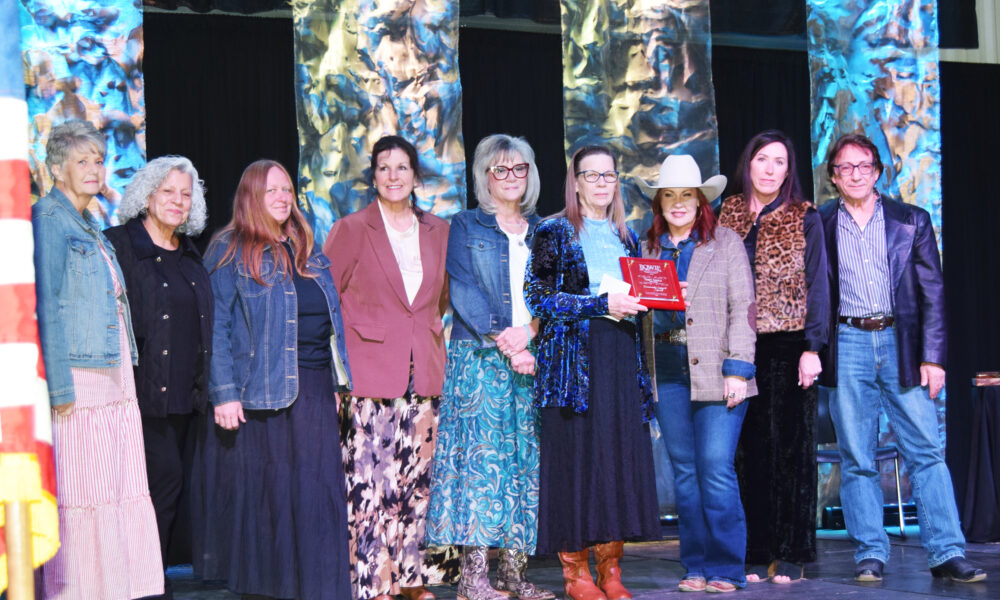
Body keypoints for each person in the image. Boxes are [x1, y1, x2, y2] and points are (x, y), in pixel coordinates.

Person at [819, 133, 987, 583]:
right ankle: (870, 552)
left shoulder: (911, 220)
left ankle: (947, 551)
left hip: (902, 342)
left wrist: (933, 357)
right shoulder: (820, 222)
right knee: (857, 456)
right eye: (845, 167)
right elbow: (815, 292)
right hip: (848, 341)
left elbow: (933, 292)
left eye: (863, 166)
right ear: (834, 176)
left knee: (926, 452)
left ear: (877, 172)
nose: (855, 174)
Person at [197, 159, 353, 599]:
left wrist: (338, 382)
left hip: (316, 388)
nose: (283, 198)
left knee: (316, 496)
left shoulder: (307, 248)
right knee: (274, 499)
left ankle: (316, 589)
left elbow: (331, 321)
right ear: (251, 196)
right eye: (271, 191)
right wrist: (224, 393)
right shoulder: (229, 248)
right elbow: (216, 327)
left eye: (287, 190)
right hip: (263, 392)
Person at [32, 119, 163, 599]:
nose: (94, 169)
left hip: (112, 374)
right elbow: (45, 304)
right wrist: (59, 386)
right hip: (79, 377)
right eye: (82, 160)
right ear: (56, 168)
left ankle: (115, 586)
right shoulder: (48, 219)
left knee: (115, 486)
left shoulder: (88, 222)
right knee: (84, 491)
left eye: (99, 160)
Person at [525, 144, 661, 600]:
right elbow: (538, 297)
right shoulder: (554, 231)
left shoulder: (629, 237)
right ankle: (575, 573)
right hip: (572, 366)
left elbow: (636, 299)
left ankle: (611, 568)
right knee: (576, 464)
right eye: (592, 175)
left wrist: (661, 295)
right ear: (576, 181)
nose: (602, 183)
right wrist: (599, 304)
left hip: (620, 360)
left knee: (615, 462)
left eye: (609, 175)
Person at [325, 135, 456, 600]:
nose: (394, 175)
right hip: (369, 376)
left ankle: (412, 580)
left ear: (415, 176)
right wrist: (336, 375)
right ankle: (375, 584)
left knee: (418, 484)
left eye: (402, 167)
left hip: (425, 373)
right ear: (374, 176)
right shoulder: (351, 229)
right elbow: (328, 301)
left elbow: (439, 300)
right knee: (371, 487)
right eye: (384, 167)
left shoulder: (440, 230)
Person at [426, 134, 553, 600]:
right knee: (481, 465)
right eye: (501, 169)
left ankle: (513, 575)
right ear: (485, 176)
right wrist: (510, 342)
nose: (511, 177)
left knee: (525, 463)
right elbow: (463, 291)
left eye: (519, 168)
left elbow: (557, 292)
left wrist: (532, 334)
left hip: (532, 358)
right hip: (480, 357)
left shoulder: (545, 229)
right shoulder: (465, 225)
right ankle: (473, 578)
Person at [639, 154, 757, 593]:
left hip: (718, 372)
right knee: (685, 474)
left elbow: (743, 309)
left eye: (686, 195)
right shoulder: (647, 249)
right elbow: (638, 312)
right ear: (659, 203)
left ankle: (726, 568)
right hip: (667, 373)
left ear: (700, 200)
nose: (677, 203)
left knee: (715, 468)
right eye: (669, 195)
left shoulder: (725, 243)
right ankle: (695, 566)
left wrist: (738, 369)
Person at [717, 130, 828, 583]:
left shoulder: (805, 215)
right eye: (762, 159)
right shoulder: (726, 212)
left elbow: (819, 285)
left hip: (789, 344)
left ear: (788, 170)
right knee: (747, 451)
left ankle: (792, 550)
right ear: (749, 163)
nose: (769, 168)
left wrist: (813, 348)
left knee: (792, 452)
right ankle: (755, 548)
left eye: (779, 161)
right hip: (738, 347)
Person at [104, 156, 213, 599]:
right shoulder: (118, 245)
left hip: (184, 398)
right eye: (168, 191)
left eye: (185, 194)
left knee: (164, 490)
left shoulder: (190, 254)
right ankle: (143, 580)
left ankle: (150, 575)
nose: (177, 200)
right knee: (157, 485)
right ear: (147, 196)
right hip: (134, 395)